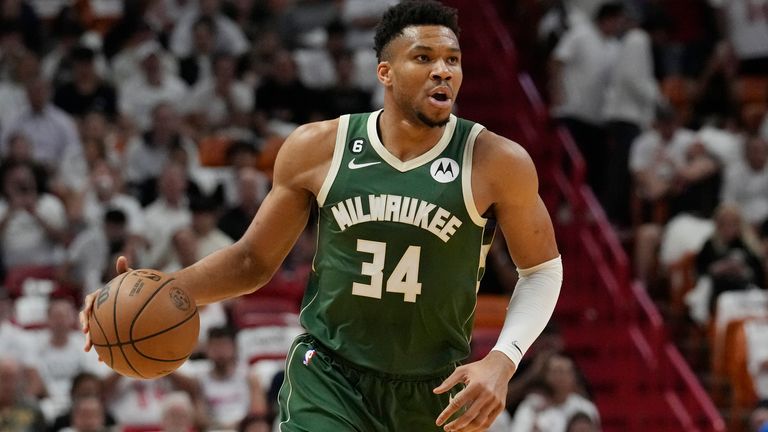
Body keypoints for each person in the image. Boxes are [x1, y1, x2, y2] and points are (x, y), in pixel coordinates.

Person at [81, 2, 562, 431]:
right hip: (330, 374)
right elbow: (252, 260)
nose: (443, 71)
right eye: (424, 58)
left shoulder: (496, 161)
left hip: (432, 386)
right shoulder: (320, 147)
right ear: (385, 72)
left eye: (452, 60)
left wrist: (503, 359)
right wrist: (170, 289)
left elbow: (541, 270)